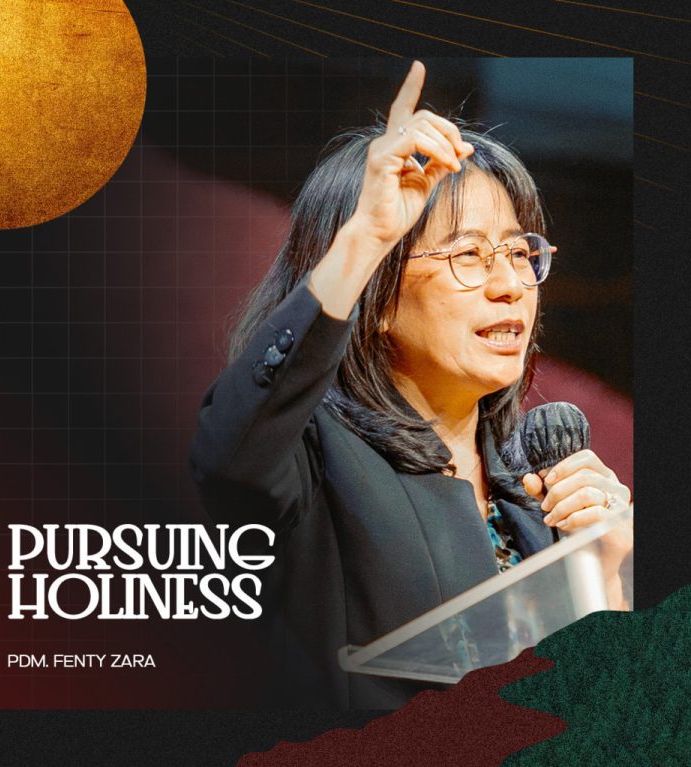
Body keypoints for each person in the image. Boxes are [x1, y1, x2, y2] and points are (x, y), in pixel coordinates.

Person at [189, 61, 633, 708]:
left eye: (518, 252)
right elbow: (226, 450)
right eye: (469, 254)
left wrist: (605, 576)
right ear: (379, 298)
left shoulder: (536, 495)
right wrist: (367, 235)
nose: (510, 284)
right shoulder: (313, 460)